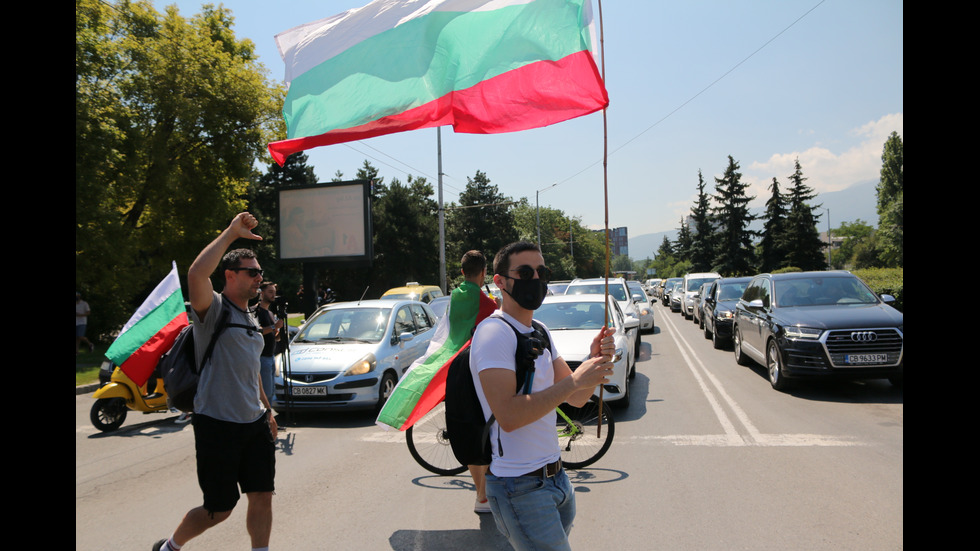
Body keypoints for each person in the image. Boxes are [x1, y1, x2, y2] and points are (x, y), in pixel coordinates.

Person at [471, 241, 614, 551]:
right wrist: (575, 379)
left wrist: (594, 361)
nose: (535, 279)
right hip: (517, 486)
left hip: (557, 478)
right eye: (525, 272)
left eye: (541, 272)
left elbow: (576, 398)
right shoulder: (493, 333)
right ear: (499, 281)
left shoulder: (540, 330)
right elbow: (508, 417)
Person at [154, 213, 277, 551]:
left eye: (260, 273)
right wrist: (231, 233)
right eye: (252, 272)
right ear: (230, 275)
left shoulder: (252, 317)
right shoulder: (213, 309)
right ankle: (170, 547)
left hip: (254, 423)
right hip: (217, 424)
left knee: (262, 495)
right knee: (219, 509)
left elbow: (250, 370)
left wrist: (268, 410)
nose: (258, 278)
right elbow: (195, 273)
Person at [256, 281, 284, 406]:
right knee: (265, 392)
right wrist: (274, 327)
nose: (273, 295)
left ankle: (269, 421)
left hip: (271, 356)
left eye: (274, 292)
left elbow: (274, 337)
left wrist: (279, 333)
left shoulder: (270, 313)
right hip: (261, 358)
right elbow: (258, 331)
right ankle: (265, 421)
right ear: (262, 293)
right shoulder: (255, 312)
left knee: (271, 391)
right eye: (270, 292)